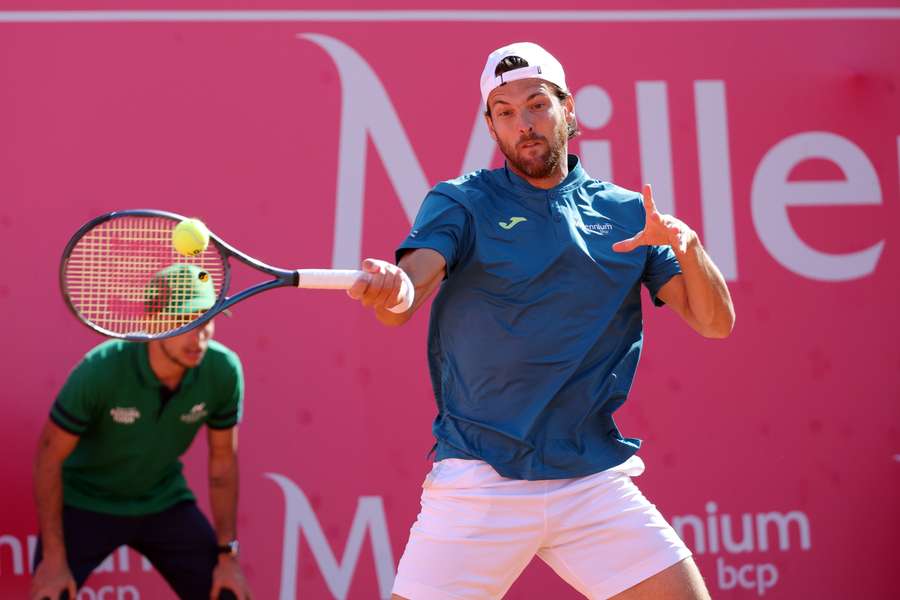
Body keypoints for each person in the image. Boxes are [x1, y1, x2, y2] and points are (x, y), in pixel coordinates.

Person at [348, 42, 735, 599]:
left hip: (590, 478)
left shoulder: (628, 214)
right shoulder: (461, 202)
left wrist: (689, 245)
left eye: (536, 105)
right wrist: (395, 287)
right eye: (504, 113)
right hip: (482, 478)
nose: (523, 124)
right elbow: (411, 291)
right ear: (490, 125)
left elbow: (715, 322)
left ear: (568, 109)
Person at [31, 264, 252, 600]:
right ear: (151, 321)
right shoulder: (100, 370)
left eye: (207, 319)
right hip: (86, 502)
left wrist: (228, 557)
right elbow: (48, 457)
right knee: (51, 593)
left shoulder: (223, 371)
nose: (199, 334)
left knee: (226, 592)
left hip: (162, 500)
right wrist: (54, 558)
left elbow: (223, 464)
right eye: (185, 320)